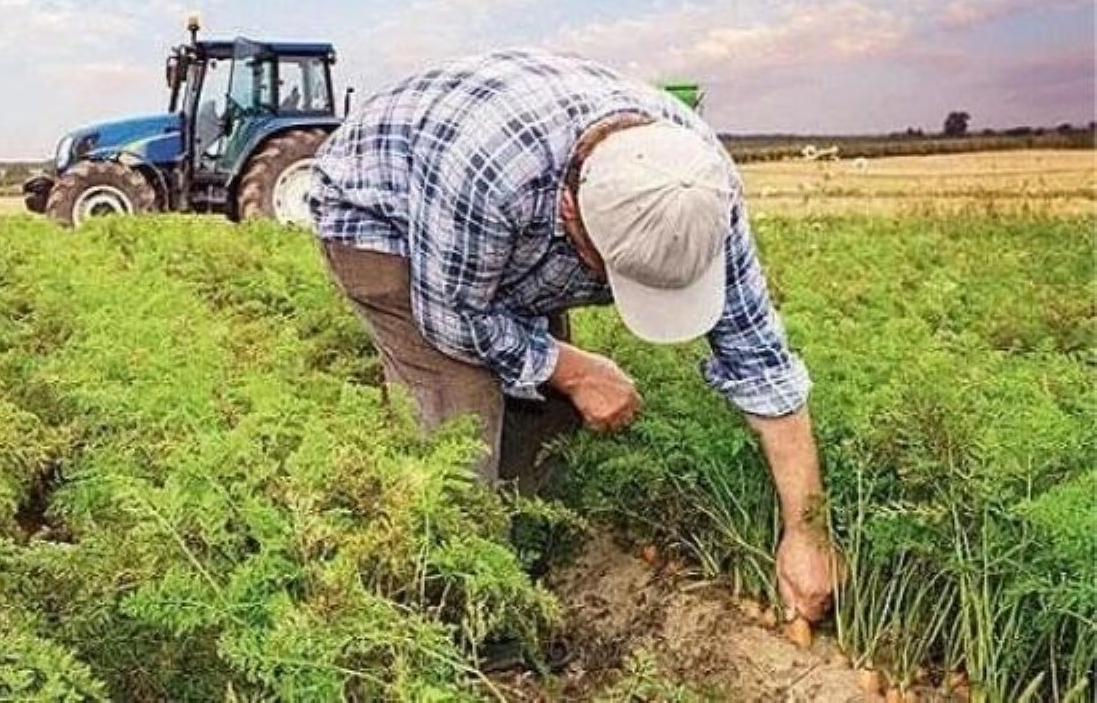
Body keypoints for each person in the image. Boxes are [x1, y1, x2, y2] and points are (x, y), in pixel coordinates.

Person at [308, 49, 834, 624]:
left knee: (544, 405)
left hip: (499, 224)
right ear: (571, 213)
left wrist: (808, 532)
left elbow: (761, 363)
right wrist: (576, 369)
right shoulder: (491, 175)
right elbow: (453, 319)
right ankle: (460, 613)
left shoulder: (698, 187)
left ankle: (530, 557)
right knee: (459, 419)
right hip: (384, 217)